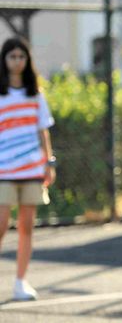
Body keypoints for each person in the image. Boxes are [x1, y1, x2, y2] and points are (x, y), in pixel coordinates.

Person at [0, 37, 56, 301]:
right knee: (1, 226)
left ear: (27, 60)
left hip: (32, 171)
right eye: (12, 56)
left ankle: (20, 281)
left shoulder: (36, 94)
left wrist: (49, 163)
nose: (17, 61)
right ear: (4, 60)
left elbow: (42, 131)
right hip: (3, 172)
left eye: (21, 56)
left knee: (26, 228)